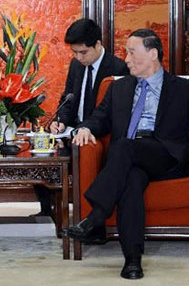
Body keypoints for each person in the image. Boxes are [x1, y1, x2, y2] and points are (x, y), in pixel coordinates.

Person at [62, 29, 189, 280]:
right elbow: (99, 119)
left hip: (165, 158)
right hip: (129, 161)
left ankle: (95, 216)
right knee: (131, 181)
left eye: (131, 52)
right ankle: (132, 261)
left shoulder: (184, 89)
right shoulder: (118, 88)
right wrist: (84, 128)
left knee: (125, 146)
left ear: (152, 54)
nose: (126, 59)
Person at [33, 19, 128, 219]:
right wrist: (61, 121)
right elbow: (68, 99)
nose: (78, 57)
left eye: (83, 52)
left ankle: (83, 215)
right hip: (72, 131)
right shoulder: (76, 66)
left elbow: (111, 114)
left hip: (97, 135)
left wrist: (84, 128)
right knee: (40, 155)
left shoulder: (118, 70)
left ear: (98, 45)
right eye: (74, 52)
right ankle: (48, 212)